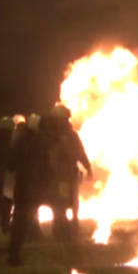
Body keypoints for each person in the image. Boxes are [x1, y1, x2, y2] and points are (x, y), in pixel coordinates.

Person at [43, 104, 91, 244]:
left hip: (67, 176)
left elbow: (79, 152)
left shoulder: (68, 135)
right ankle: (62, 230)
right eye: (62, 119)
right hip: (59, 177)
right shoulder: (52, 136)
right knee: (60, 205)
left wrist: (88, 167)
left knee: (69, 203)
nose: (65, 122)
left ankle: (69, 228)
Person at [8, 114, 47, 265]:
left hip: (22, 187)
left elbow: (11, 164)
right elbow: (45, 165)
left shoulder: (20, 141)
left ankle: (14, 252)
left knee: (20, 218)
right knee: (26, 217)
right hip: (32, 188)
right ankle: (16, 254)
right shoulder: (38, 142)